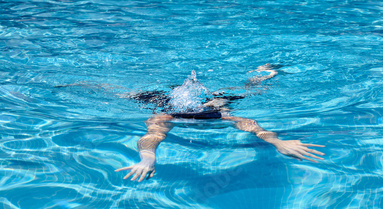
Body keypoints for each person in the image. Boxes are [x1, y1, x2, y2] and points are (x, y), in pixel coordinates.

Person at [115, 64, 325, 182]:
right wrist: (148, 158)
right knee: (125, 95)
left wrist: (277, 143)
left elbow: (253, 127)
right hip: (164, 98)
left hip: (215, 101)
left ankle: (266, 72)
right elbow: (151, 137)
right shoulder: (166, 114)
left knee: (250, 89)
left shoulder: (219, 112)